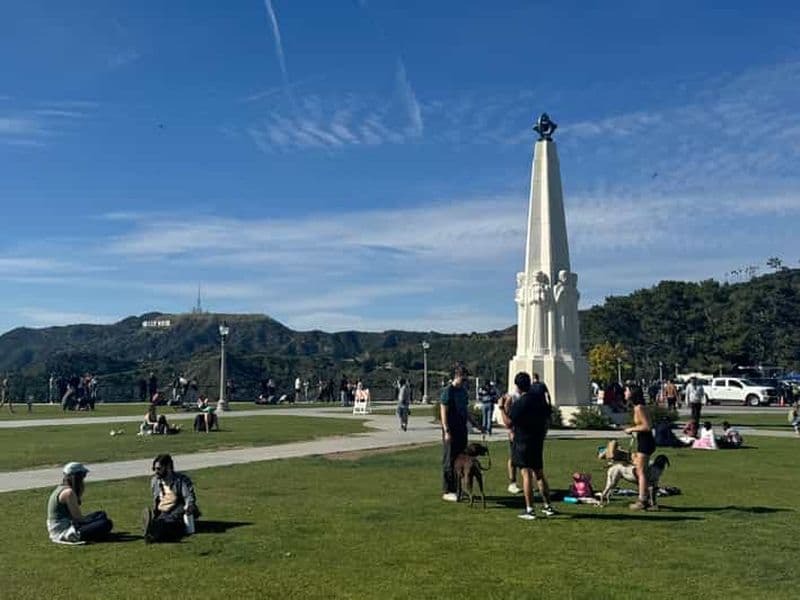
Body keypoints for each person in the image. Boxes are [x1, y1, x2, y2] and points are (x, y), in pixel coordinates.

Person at [500, 371, 557, 519]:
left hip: (523, 440)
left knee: (526, 474)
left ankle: (530, 509)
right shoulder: (539, 400)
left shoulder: (520, 403)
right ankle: (548, 506)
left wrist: (501, 409)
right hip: (537, 439)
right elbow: (547, 418)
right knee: (539, 473)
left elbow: (509, 423)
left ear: (518, 387)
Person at [439, 364, 482, 502]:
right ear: (457, 376)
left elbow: (465, 410)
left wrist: (475, 423)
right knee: (449, 459)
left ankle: (458, 489)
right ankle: (448, 490)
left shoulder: (463, 392)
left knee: (461, 458)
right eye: (463, 379)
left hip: (461, 428)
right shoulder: (448, 391)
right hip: (451, 428)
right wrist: (446, 429)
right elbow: (443, 411)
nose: (464, 382)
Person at [46, 462, 113, 544]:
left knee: (101, 514)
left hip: (68, 524)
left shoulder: (63, 488)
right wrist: (89, 521)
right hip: (65, 530)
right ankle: (87, 535)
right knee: (106, 523)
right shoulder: (69, 493)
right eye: (83, 476)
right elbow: (78, 519)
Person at [143, 454, 201, 544]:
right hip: (164, 510)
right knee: (161, 520)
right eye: (154, 469)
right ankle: (153, 532)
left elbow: (188, 497)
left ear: (168, 467)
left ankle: (152, 533)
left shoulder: (181, 480)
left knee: (170, 521)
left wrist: (189, 507)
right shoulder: (155, 481)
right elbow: (157, 500)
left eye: (158, 469)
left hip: (179, 508)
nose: (155, 472)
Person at [624, 384, 656, 510]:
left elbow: (647, 426)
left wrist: (631, 429)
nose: (624, 393)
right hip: (644, 440)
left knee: (640, 471)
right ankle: (648, 497)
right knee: (641, 470)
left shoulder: (639, 408)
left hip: (645, 441)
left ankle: (642, 500)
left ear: (632, 393)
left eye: (626, 391)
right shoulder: (639, 407)